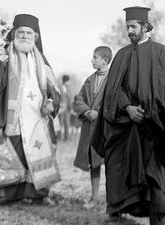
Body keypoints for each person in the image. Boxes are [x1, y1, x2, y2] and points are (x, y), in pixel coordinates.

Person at [92, 7, 165, 224]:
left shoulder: (161, 52)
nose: (129, 31)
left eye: (133, 26)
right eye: (127, 27)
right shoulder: (122, 54)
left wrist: (149, 112)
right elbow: (114, 89)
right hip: (126, 125)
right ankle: (116, 209)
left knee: (156, 174)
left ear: (145, 26)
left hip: (154, 126)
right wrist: (128, 108)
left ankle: (159, 217)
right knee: (117, 163)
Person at [0, 13, 60, 203]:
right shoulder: (4, 56)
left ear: (35, 36)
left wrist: (51, 103)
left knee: (39, 152)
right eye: (21, 32)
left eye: (29, 33)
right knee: (13, 154)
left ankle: (37, 195)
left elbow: (53, 89)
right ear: (14, 33)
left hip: (37, 117)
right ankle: (8, 195)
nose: (25, 36)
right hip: (13, 117)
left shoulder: (42, 61)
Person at [73, 46, 112, 208]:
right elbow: (79, 99)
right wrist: (87, 111)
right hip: (90, 129)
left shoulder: (113, 79)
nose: (92, 60)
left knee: (111, 164)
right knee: (94, 163)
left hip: (107, 129)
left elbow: (115, 101)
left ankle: (112, 200)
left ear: (105, 60)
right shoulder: (89, 80)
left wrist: (99, 113)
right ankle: (94, 197)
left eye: (95, 57)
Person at [58, 74, 71, 141]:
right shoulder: (59, 87)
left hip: (67, 108)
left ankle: (66, 137)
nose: (69, 82)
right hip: (61, 107)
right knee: (60, 122)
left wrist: (70, 108)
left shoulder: (68, 88)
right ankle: (59, 137)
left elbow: (69, 99)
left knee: (67, 123)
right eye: (68, 81)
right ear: (65, 81)